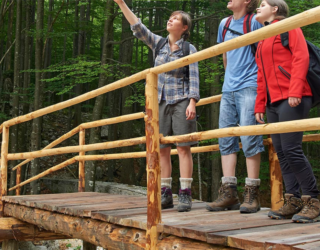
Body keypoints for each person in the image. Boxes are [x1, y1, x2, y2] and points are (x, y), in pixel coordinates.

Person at [113, 0, 200, 212]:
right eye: (170, 17)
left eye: (176, 19)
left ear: (185, 27)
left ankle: (185, 194)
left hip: (181, 100)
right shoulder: (159, 44)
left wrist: (192, 103)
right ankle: (166, 193)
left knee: (183, 146)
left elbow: (194, 78)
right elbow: (138, 28)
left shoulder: (189, 48)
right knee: (162, 148)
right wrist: (121, 3)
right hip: (158, 101)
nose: (171, 20)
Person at [254, 0, 320, 223]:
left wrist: (295, 90)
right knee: (281, 151)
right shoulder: (263, 38)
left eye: (262, 4)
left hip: (294, 96)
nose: (257, 7)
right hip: (273, 102)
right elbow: (261, 75)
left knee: (292, 149)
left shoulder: (290, 27)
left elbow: (301, 58)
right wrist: (259, 104)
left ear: (275, 9)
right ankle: (293, 200)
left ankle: (313, 200)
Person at [206, 0, 264, 214]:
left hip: (251, 85)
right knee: (226, 138)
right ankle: (229, 192)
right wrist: (229, 81)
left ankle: (252, 193)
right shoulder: (225, 23)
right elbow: (225, 54)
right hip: (228, 88)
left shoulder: (255, 22)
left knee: (250, 137)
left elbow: (264, 52)